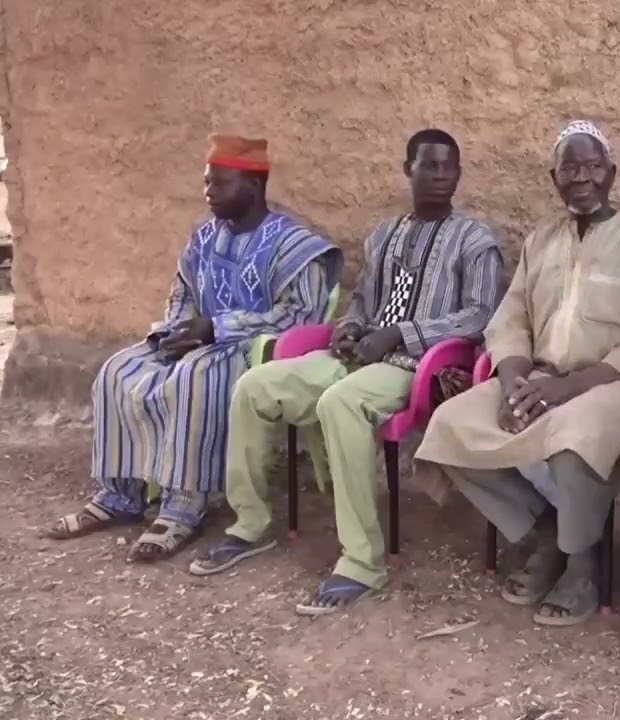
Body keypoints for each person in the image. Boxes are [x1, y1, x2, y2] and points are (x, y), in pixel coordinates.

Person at [188, 129, 502, 613]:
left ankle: (363, 562)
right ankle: (249, 525)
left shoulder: (474, 240)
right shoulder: (383, 235)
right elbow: (361, 302)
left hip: (415, 365)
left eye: (449, 168)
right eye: (429, 166)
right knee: (254, 386)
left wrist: (399, 335)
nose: (441, 176)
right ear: (407, 170)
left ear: (459, 174)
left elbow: (480, 315)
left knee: (341, 403)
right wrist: (350, 330)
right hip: (357, 357)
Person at [414, 119, 620, 626]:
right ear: (554, 177)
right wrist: (514, 378)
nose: (581, 176)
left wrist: (567, 389)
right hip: (536, 377)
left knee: (575, 438)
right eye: (570, 167)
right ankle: (546, 531)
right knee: (450, 425)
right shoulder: (541, 240)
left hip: (608, 384)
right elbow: (511, 317)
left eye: (593, 165)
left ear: (612, 173)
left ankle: (582, 564)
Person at [44, 135, 343, 562]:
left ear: (253, 189)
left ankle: (186, 503)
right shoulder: (204, 236)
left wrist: (217, 328)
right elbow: (182, 293)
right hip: (197, 341)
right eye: (207, 183)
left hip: (251, 349)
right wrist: (174, 332)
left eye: (219, 184)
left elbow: (301, 317)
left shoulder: (294, 245)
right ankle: (120, 493)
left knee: (195, 378)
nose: (208, 192)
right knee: (118, 369)